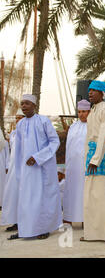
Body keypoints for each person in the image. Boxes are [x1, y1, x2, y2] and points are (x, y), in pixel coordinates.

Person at [8, 94, 62, 240]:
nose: (23, 106)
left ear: (34, 105)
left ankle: (44, 228)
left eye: (27, 103)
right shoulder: (20, 124)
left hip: (43, 168)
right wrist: (18, 166)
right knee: (26, 198)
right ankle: (25, 229)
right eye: (22, 104)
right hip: (26, 169)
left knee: (42, 197)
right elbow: (18, 148)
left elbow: (54, 142)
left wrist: (38, 157)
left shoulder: (44, 121)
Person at [81, 81, 105, 242]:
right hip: (93, 155)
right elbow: (90, 136)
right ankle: (92, 234)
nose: (90, 93)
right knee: (91, 196)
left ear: (103, 93)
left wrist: (96, 159)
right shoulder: (94, 110)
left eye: (94, 91)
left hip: (103, 156)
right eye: (89, 91)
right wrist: (88, 158)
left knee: (104, 195)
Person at [62, 100, 90, 225]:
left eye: (84, 111)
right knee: (71, 190)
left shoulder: (93, 126)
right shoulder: (73, 127)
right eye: (79, 112)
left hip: (85, 165)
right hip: (72, 166)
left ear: (89, 112)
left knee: (84, 191)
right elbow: (68, 147)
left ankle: (85, 219)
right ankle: (69, 217)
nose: (81, 114)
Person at [0, 110, 24, 232]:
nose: (18, 120)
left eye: (20, 118)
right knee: (12, 196)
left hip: (25, 170)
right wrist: (8, 165)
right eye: (17, 118)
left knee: (23, 196)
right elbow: (10, 152)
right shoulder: (14, 134)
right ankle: (14, 222)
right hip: (13, 170)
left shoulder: (28, 133)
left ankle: (23, 222)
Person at [0, 128, 9, 211]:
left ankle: (2, 204)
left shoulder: (5, 143)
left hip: (2, 167)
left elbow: (7, 156)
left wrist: (7, 167)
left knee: (2, 185)